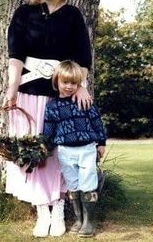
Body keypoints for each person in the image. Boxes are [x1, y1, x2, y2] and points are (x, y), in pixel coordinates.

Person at [3, 0, 93, 237]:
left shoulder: (73, 15)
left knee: (60, 154)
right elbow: (15, 57)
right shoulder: (23, 14)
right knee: (34, 153)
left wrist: (81, 86)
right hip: (29, 95)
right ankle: (42, 210)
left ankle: (58, 209)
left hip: (61, 97)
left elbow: (83, 59)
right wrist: (11, 88)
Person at [43, 60, 107, 237]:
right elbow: (48, 130)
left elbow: (97, 122)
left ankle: (89, 222)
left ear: (79, 84)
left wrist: (101, 143)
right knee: (73, 185)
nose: (69, 87)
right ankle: (79, 220)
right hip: (65, 152)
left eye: (74, 83)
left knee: (88, 184)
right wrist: (43, 148)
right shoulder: (52, 106)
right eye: (65, 82)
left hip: (86, 149)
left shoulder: (83, 101)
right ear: (57, 81)